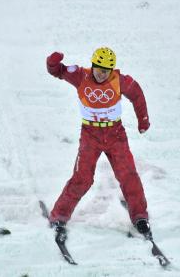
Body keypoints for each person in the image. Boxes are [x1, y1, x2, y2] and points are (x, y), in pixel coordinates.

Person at [46, 47, 152, 240]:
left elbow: (137, 94)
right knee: (82, 178)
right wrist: (53, 63)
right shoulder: (80, 76)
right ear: (93, 65)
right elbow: (58, 71)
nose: (102, 74)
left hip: (115, 135)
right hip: (90, 136)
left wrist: (143, 120)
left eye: (106, 70)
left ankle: (140, 216)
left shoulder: (119, 81)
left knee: (128, 175)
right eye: (99, 69)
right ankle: (59, 216)